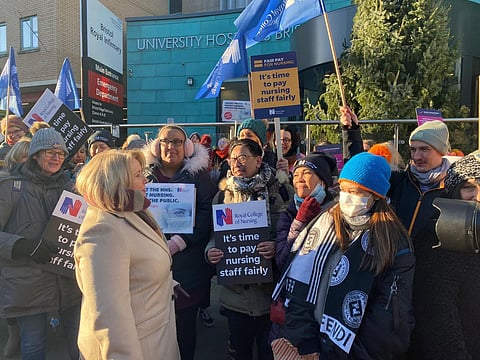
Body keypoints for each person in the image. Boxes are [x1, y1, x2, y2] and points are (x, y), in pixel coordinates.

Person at [272, 152, 415, 359]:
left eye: (356, 192)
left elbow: (387, 319)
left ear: (376, 195)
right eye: (344, 189)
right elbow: (298, 289)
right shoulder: (322, 222)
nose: (347, 197)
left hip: (354, 352)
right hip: (307, 345)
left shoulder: (393, 241)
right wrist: (304, 344)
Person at [74, 150, 180, 360]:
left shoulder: (132, 210)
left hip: (155, 336)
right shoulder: (103, 231)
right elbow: (109, 318)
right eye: (139, 174)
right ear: (117, 181)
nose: (146, 180)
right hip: (139, 347)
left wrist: (165, 283)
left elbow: (137, 269)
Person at [206, 138, 293, 360]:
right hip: (236, 298)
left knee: (269, 353)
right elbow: (213, 237)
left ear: (258, 159)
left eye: (243, 157)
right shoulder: (222, 195)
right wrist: (211, 252)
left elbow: (295, 234)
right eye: (233, 158)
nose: (237, 163)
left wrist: (276, 246)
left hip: (271, 295)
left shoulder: (282, 191)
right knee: (240, 352)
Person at [0, 128, 81, 359]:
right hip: (28, 286)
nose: (56, 157)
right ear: (35, 153)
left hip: (68, 284)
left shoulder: (71, 188)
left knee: (79, 346)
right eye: (50, 152)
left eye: (61, 152)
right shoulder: (10, 188)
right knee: (33, 348)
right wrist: (22, 245)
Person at [144, 124, 217, 360]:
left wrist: (179, 242)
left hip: (188, 266)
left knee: (185, 329)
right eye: (166, 141)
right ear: (157, 146)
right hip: (149, 264)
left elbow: (207, 215)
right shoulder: (144, 176)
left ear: (186, 147)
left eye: (177, 142)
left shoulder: (200, 178)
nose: (171, 146)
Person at [407, 152, 480, 359]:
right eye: (469, 187)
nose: (478, 196)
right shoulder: (435, 240)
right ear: (453, 192)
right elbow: (440, 325)